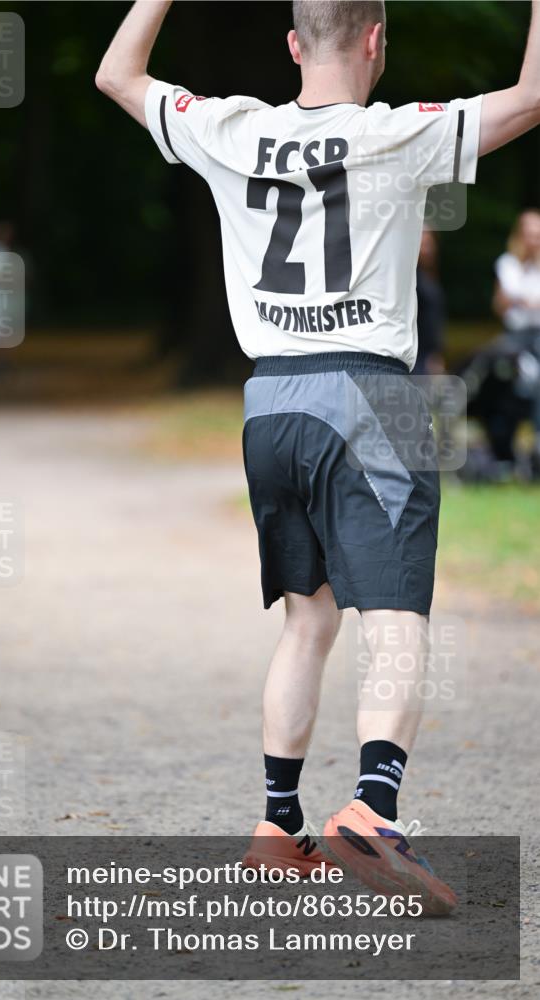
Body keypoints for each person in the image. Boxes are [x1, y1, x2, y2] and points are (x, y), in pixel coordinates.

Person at [96, 0, 540, 910]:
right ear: (376, 39)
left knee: (307, 618)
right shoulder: (400, 134)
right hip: (377, 392)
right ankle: (372, 811)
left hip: (270, 401)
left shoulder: (227, 127)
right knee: (398, 618)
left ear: (294, 45)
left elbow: (116, 76)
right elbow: (532, 96)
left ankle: (277, 823)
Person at [492, 208, 540, 472]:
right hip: (516, 339)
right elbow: (502, 303)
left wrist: (521, 300)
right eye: (530, 234)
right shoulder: (507, 264)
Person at [415, 229, 446, 376]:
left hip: (428, 356)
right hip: (416, 356)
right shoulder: (413, 281)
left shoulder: (430, 277)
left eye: (429, 244)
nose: (427, 250)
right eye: (423, 244)